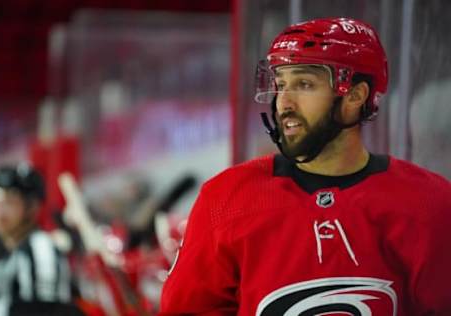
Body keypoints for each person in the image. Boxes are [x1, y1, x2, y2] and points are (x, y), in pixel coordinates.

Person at [159, 17, 451, 315]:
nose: (284, 102)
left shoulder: (428, 203)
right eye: (281, 84)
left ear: (355, 95)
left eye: (304, 84)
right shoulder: (226, 198)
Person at [0, 163, 80, 316]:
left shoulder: (40, 249)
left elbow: (46, 310)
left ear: (32, 207)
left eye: (10, 202)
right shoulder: (13, 254)